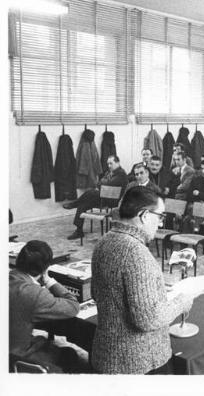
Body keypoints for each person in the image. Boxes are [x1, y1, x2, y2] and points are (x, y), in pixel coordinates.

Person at [91, 187, 193, 374]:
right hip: (141, 362)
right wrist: (182, 302)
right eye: (160, 216)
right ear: (145, 215)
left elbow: (96, 294)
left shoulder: (103, 242)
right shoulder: (136, 253)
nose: (161, 224)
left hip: (106, 355)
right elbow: (148, 319)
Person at [9, 240, 82, 372]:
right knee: (69, 354)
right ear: (45, 268)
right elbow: (73, 306)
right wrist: (48, 280)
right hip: (15, 356)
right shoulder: (34, 294)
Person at [63, 155, 129, 240]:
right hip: (103, 198)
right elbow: (99, 183)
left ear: (117, 163)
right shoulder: (110, 172)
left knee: (91, 191)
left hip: (113, 201)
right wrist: (103, 183)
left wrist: (103, 183)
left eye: (111, 164)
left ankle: (74, 203)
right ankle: (79, 231)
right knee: (83, 205)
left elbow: (105, 184)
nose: (109, 166)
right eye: (108, 164)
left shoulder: (121, 174)